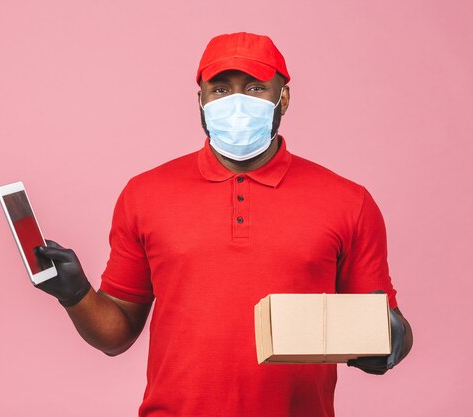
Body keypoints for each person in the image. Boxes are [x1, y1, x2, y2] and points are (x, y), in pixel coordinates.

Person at [34, 32, 413, 417]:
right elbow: (115, 336)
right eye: (220, 89)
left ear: (282, 97)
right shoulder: (144, 193)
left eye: (254, 88)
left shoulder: (347, 201)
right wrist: (76, 293)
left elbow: (386, 324)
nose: (236, 103)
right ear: (200, 99)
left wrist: (390, 340)